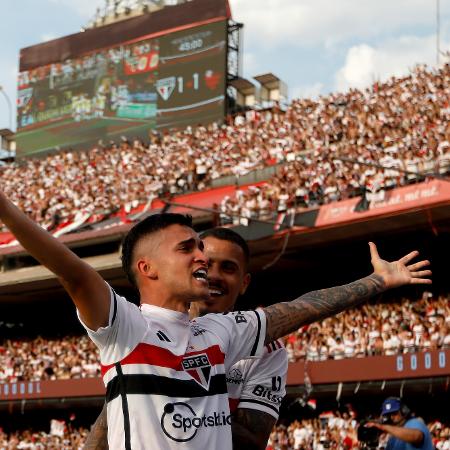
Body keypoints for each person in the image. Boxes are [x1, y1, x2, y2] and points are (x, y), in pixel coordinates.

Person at [0, 192, 431, 449]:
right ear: (147, 268)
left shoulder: (220, 332)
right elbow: (73, 271)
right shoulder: (126, 328)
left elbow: (302, 307)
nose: (202, 256)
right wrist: (6, 210)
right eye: (187, 248)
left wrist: (377, 281)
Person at [85, 227, 288, 450]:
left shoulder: (267, 348)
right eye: (206, 264)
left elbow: (251, 440)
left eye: (228, 268)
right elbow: (111, 418)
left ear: (244, 283)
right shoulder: (142, 330)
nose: (214, 275)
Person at [367, 397, 434, 450]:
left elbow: (416, 436)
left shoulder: (414, 422)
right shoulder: (393, 437)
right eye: (388, 415)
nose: (391, 417)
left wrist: (383, 427)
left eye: (394, 413)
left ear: (404, 411)